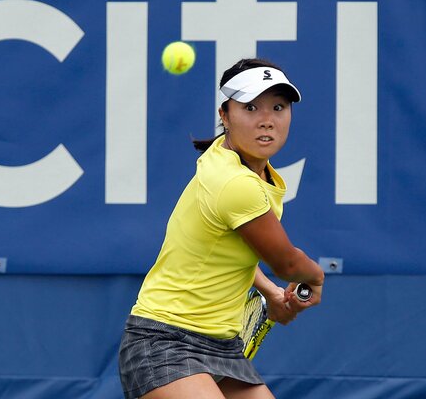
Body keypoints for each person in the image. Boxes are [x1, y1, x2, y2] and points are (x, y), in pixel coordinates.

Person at [118, 58, 325, 399]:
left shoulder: (236, 162)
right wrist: (315, 277)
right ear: (225, 115)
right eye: (251, 108)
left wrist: (270, 291)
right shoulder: (235, 184)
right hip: (164, 342)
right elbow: (288, 263)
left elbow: (225, 247)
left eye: (278, 107)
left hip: (221, 345)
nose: (267, 121)